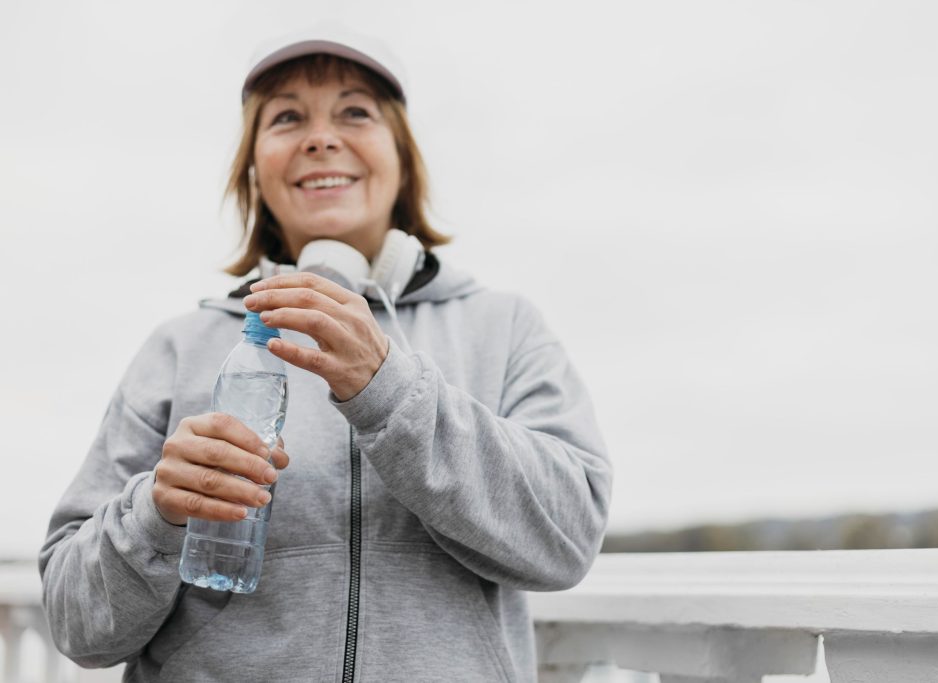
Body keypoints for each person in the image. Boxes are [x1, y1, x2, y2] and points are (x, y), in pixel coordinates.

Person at [39, 25, 612, 682]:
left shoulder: (503, 326)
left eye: (355, 112)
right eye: (286, 117)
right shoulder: (177, 348)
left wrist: (390, 390)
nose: (320, 137)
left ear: (402, 158)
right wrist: (156, 512)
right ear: (254, 169)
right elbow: (75, 623)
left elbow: (568, 541)